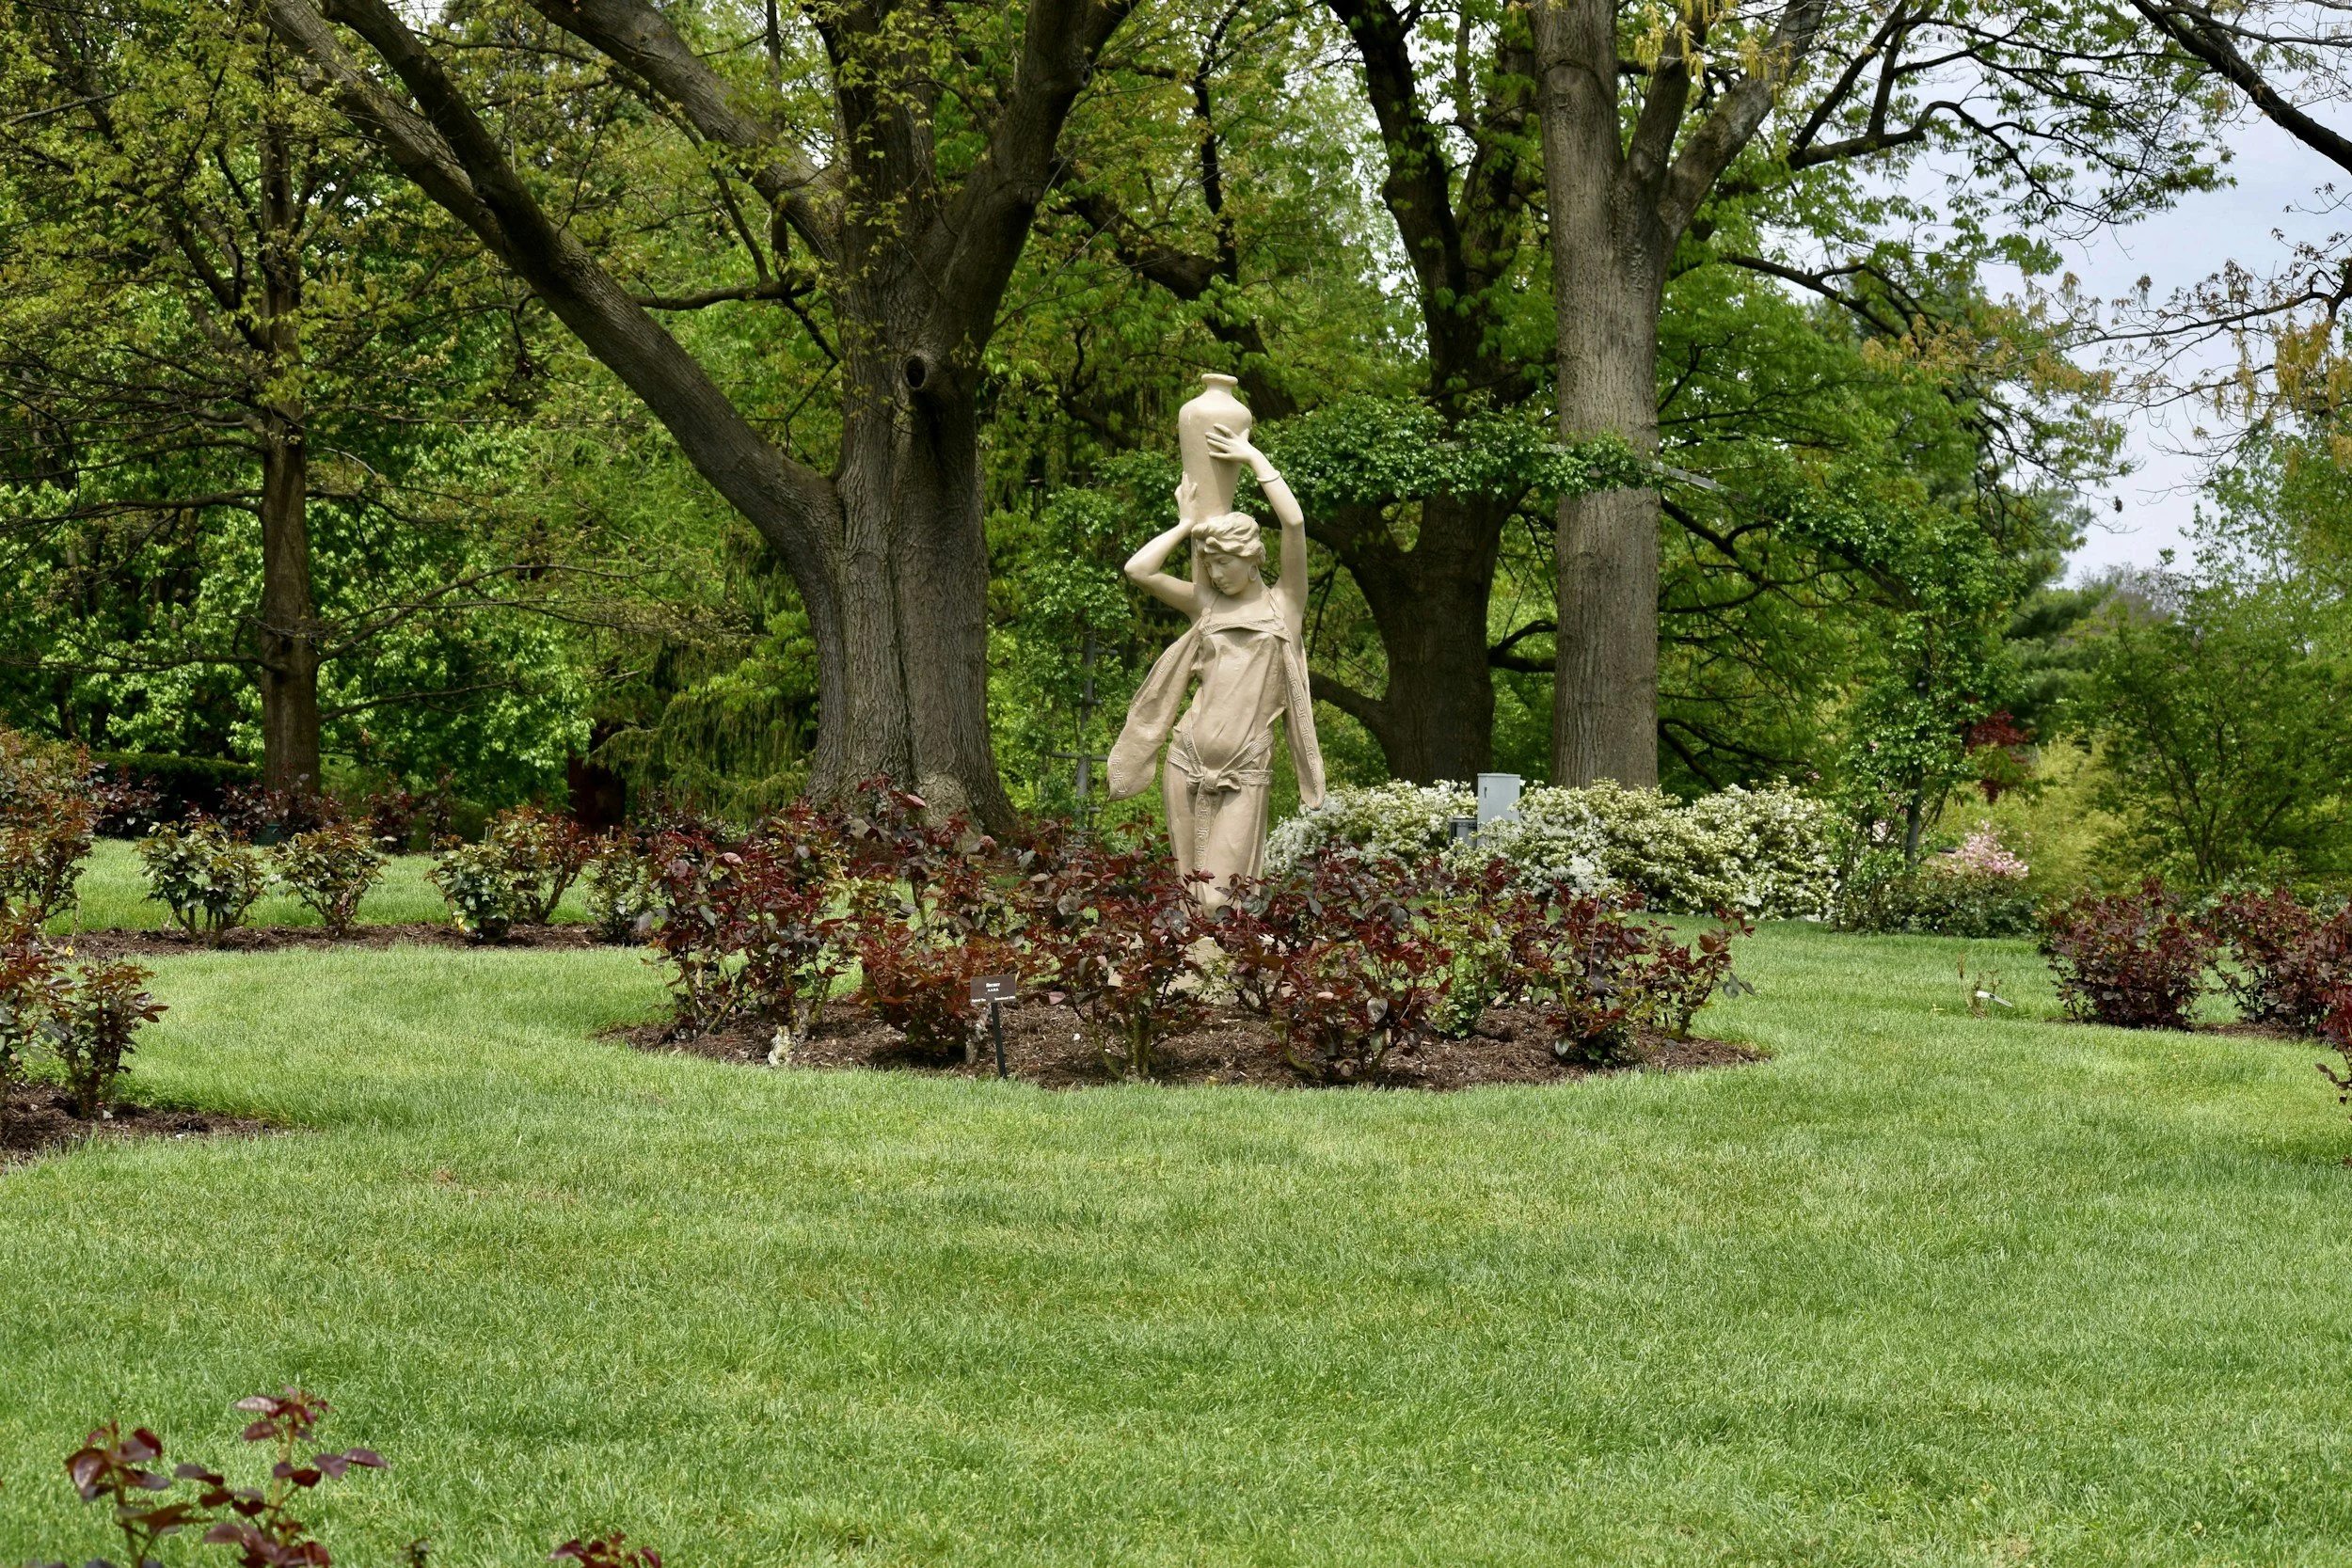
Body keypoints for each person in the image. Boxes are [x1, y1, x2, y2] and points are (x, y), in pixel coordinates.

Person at [1107, 423, 1325, 906]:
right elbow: (1138, 570)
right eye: (1208, 564)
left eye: (1224, 562)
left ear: (1252, 558)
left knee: (1219, 898)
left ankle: (1226, 950)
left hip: (1243, 770)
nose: (1215, 572)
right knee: (1190, 897)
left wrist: (1252, 458)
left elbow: (1293, 524)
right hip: (1186, 760)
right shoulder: (1205, 605)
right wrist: (1185, 525)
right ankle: (1198, 958)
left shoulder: (1285, 605)